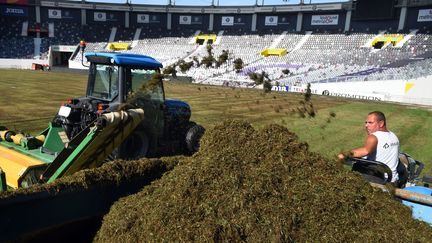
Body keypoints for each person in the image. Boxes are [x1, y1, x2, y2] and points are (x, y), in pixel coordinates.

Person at [338, 111, 400, 182]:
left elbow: (366, 151)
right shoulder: (393, 136)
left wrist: (344, 155)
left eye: (370, 123)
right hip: (393, 178)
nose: (366, 125)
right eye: (366, 123)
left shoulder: (374, 137)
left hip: (380, 180)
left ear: (381, 123)